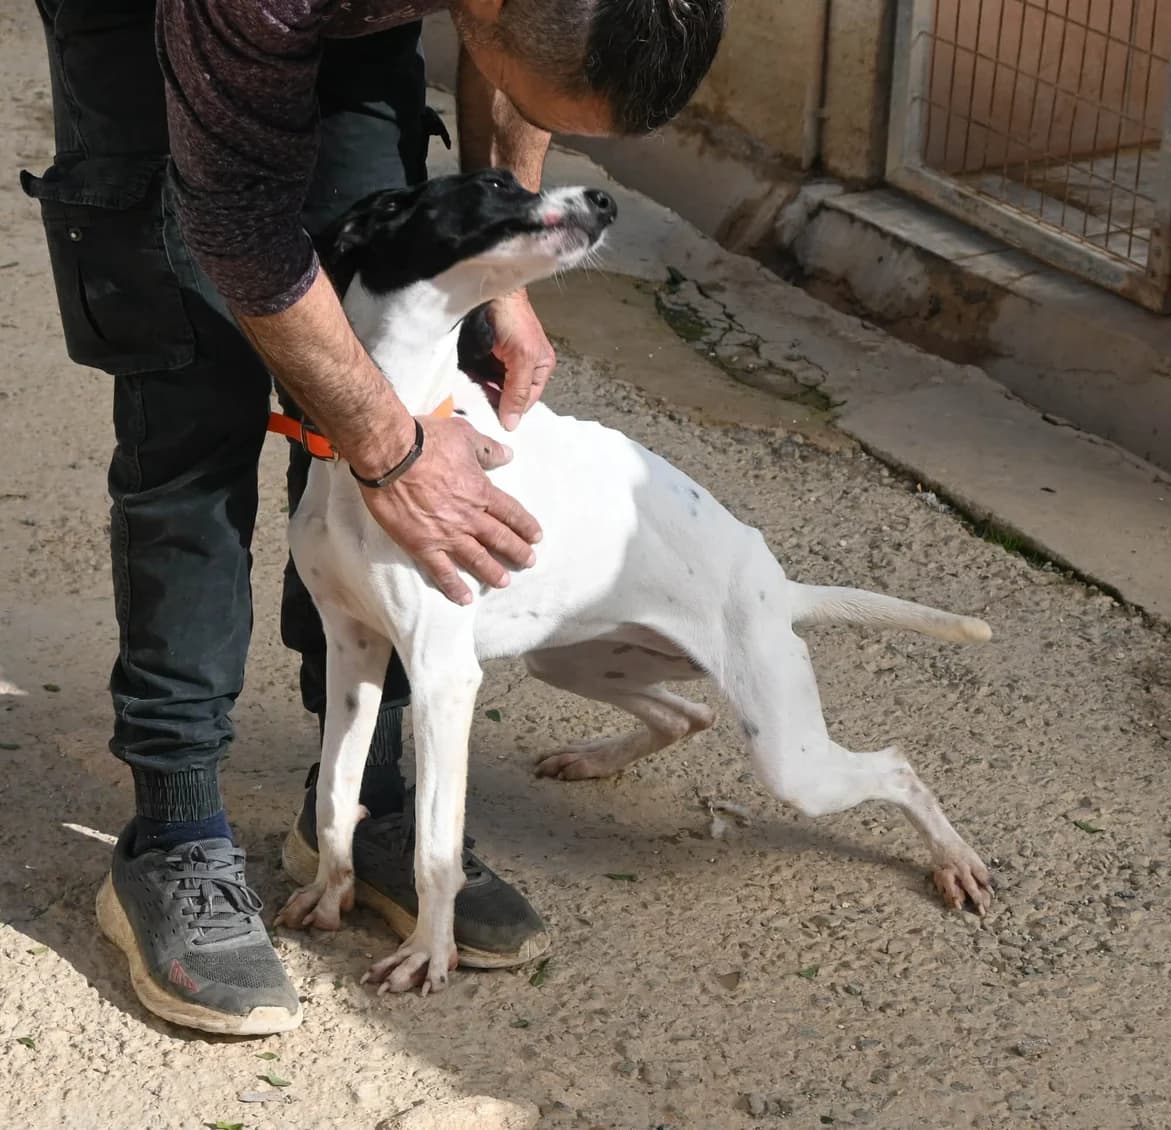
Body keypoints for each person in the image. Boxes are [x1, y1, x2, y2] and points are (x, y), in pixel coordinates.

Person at [24, 0, 725, 1035]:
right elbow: (240, 231)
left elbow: (514, 69)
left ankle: (359, 807)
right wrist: (391, 448)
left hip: (359, 26)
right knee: (193, 398)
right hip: (156, 28)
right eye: (526, 86)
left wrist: (498, 270)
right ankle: (174, 832)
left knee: (384, 307)